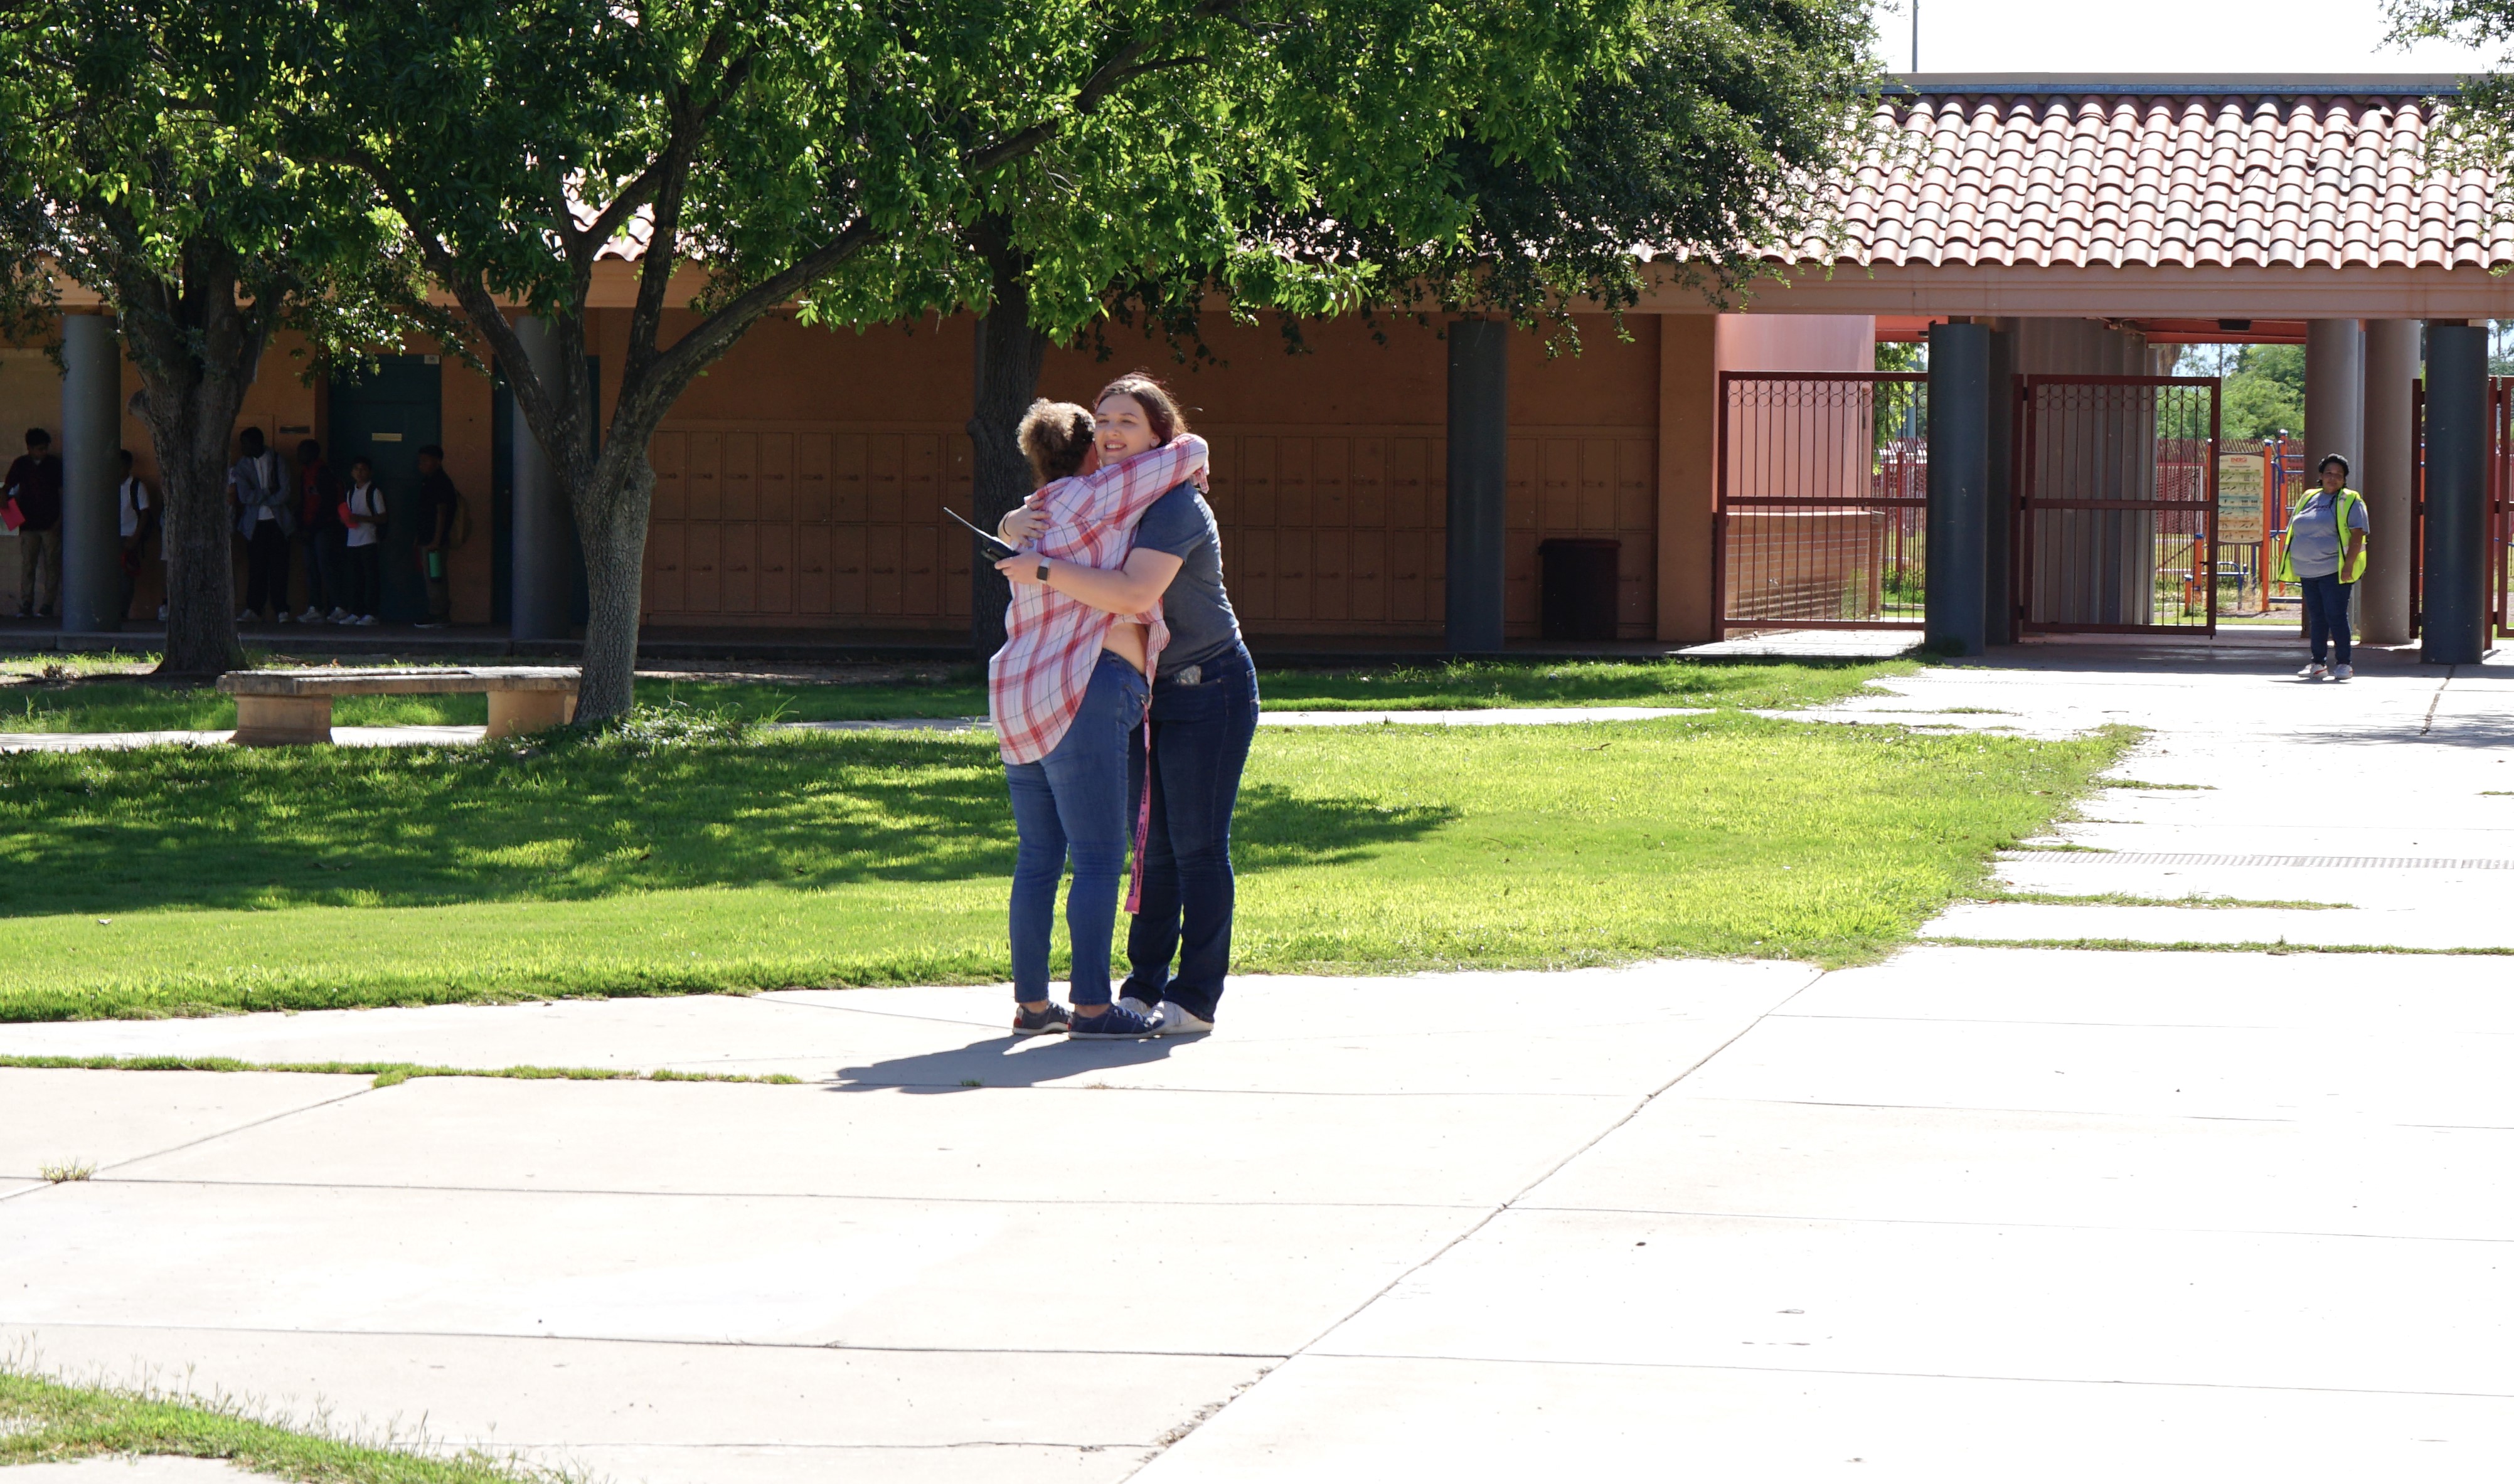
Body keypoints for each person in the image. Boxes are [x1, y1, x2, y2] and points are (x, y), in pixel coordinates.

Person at [1005, 374, 1254, 1037]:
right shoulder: (1112, 495)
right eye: (1103, 419)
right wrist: (1014, 521)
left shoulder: (1173, 503)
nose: (1112, 431)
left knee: (1197, 846)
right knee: (1153, 849)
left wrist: (1041, 568)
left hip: (1209, 684)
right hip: (1147, 685)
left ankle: (1195, 998)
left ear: (1157, 435)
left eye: (1128, 422)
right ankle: (1142, 985)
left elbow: (1131, 589)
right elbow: (1046, 507)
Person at [2277, 453, 2369, 682]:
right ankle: (2318, 663)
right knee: (2317, 618)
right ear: (2321, 475)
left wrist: (2348, 567)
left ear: (2344, 479)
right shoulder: (2309, 497)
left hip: (2334, 570)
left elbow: (2358, 536)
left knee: (2336, 616)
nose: (2333, 478)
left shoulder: (2351, 500)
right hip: (2308, 570)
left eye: (2339, 474)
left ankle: (2344, 664)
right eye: (2329, 473)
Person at [228, 427, 295, 622]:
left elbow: (285, 492)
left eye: (246, 444)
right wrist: (267, 492)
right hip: (254, 524)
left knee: (280, 567)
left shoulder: (277, 460)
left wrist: (265, 499)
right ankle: (254, 608)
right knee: (256, 568)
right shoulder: (242, 465)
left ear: (257, 442)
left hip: (278, 522)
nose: (243, 448)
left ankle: (281, 609)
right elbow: (245, 496)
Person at [6, 428, 65, 619]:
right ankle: (26, 604)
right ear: (30, 448)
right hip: (28, 524)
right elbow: (5, 491)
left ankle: (48, 604)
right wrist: (14, 520)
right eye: (40, 449)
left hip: (50, 523)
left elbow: (64, 493)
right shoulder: (20, 465)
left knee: (52, 566)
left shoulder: (54, 465)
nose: (44, 452)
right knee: (28, 565)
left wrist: (60, 520)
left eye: (45, 448)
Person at [294, 438, 347, 623]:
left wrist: (312, 527)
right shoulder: (305, 473)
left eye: (303, 451)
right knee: (311, 568)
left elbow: (327, 504)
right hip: (310, 528)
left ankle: (339, 606)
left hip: (324, 527)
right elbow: (303, 500)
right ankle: (315, 607)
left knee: (327, 566)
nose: (299, 455)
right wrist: (301, 526)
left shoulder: (323, 473)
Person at [413, 444, 463, 627]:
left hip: (435, 542)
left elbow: (441, 512)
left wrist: (436, 539)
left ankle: (439, 613)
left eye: (426, 461)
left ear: (438, 462)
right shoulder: (427, 481)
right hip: (426, 538)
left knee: (436, 578)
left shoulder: (441, 482)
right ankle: (436, 611)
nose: (422, 465)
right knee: (430, 577)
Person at [341, 455, 386, 625]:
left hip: (369, 539)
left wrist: (360, 518)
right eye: (356, 469)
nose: (360, 473)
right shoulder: (350, 492)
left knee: (370, 577)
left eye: (363, 469)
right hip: (352, 540)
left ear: (370, 472)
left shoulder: (374, 492)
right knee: (355, 578)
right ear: (352, 473)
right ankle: (356, 611)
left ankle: (372, 612)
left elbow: (382, 518)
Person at [114, 450, 157, 622]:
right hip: (108, 538)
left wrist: (135, 538)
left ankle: (122, 613)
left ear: (128, 467)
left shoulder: (137, 486)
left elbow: (145, 513)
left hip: (128, 536)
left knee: (126, 578)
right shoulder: (105, 483)